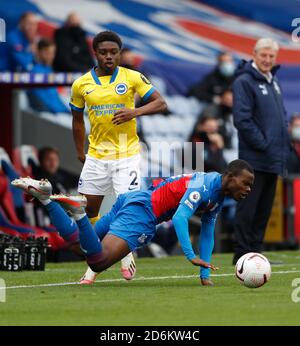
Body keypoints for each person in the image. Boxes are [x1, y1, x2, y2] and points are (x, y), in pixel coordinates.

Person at [11, 159, 254, 286]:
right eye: (245, 183)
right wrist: (190, 255)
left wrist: (204, 273)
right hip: (143, 212)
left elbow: (208, 232)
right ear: (230, 177)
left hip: (134, 200)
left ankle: (45, 198)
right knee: (98, 262)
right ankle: (80, 213)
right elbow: (180, 217)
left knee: (76, 244)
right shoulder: (205, 186)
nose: (248, 189)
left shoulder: (219, 196)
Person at [69, 31, 167, 282]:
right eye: (104, 52)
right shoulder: (81, 84)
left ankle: (125, 255)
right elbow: (77, 121)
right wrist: (80, 151)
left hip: (127, 154)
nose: (109, 56)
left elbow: (160, 103)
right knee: (88, 209)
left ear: (120, 53)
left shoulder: (132, 77)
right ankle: (99, 251)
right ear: (96, 53)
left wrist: (134, 112)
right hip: (97, 155)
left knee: (127, 207)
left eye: (114, 52)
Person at [232, 38, 291, 264]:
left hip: (273, 158)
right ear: (254, 54)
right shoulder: (244, 81)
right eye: (263, 55)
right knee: (248, 207)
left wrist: (281, 148)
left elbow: (281, 117)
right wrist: (265, 145)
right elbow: (243, 120)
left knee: (264, 210)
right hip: (253, 160)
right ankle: (242, 254)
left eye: (271, 56)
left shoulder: (273, 81)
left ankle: (255, 254)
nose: (267, 60)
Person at [27, 39, 69, 113]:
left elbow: (55, 97)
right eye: (47, 53)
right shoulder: (35, 72)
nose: (51, 56)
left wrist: (67, 111)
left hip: (59, 112)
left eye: (52, 53)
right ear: (39, 52)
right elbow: (41, 98)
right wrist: (60, 112)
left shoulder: (50, 70)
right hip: (50, 115)